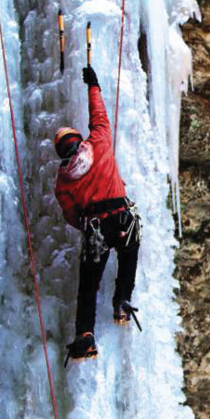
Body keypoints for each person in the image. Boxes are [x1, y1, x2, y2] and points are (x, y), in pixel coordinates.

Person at [53, 66, 141, 365]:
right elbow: (99, 116)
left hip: (95, 228)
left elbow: (69, 214)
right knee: (129, 253)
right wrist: (94, 85)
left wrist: (87, 227)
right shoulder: (99, 142)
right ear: (80, 140)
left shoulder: (63, 180)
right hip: (121, 217)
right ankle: (122, 302)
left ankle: (85, 336)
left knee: (89, 284)